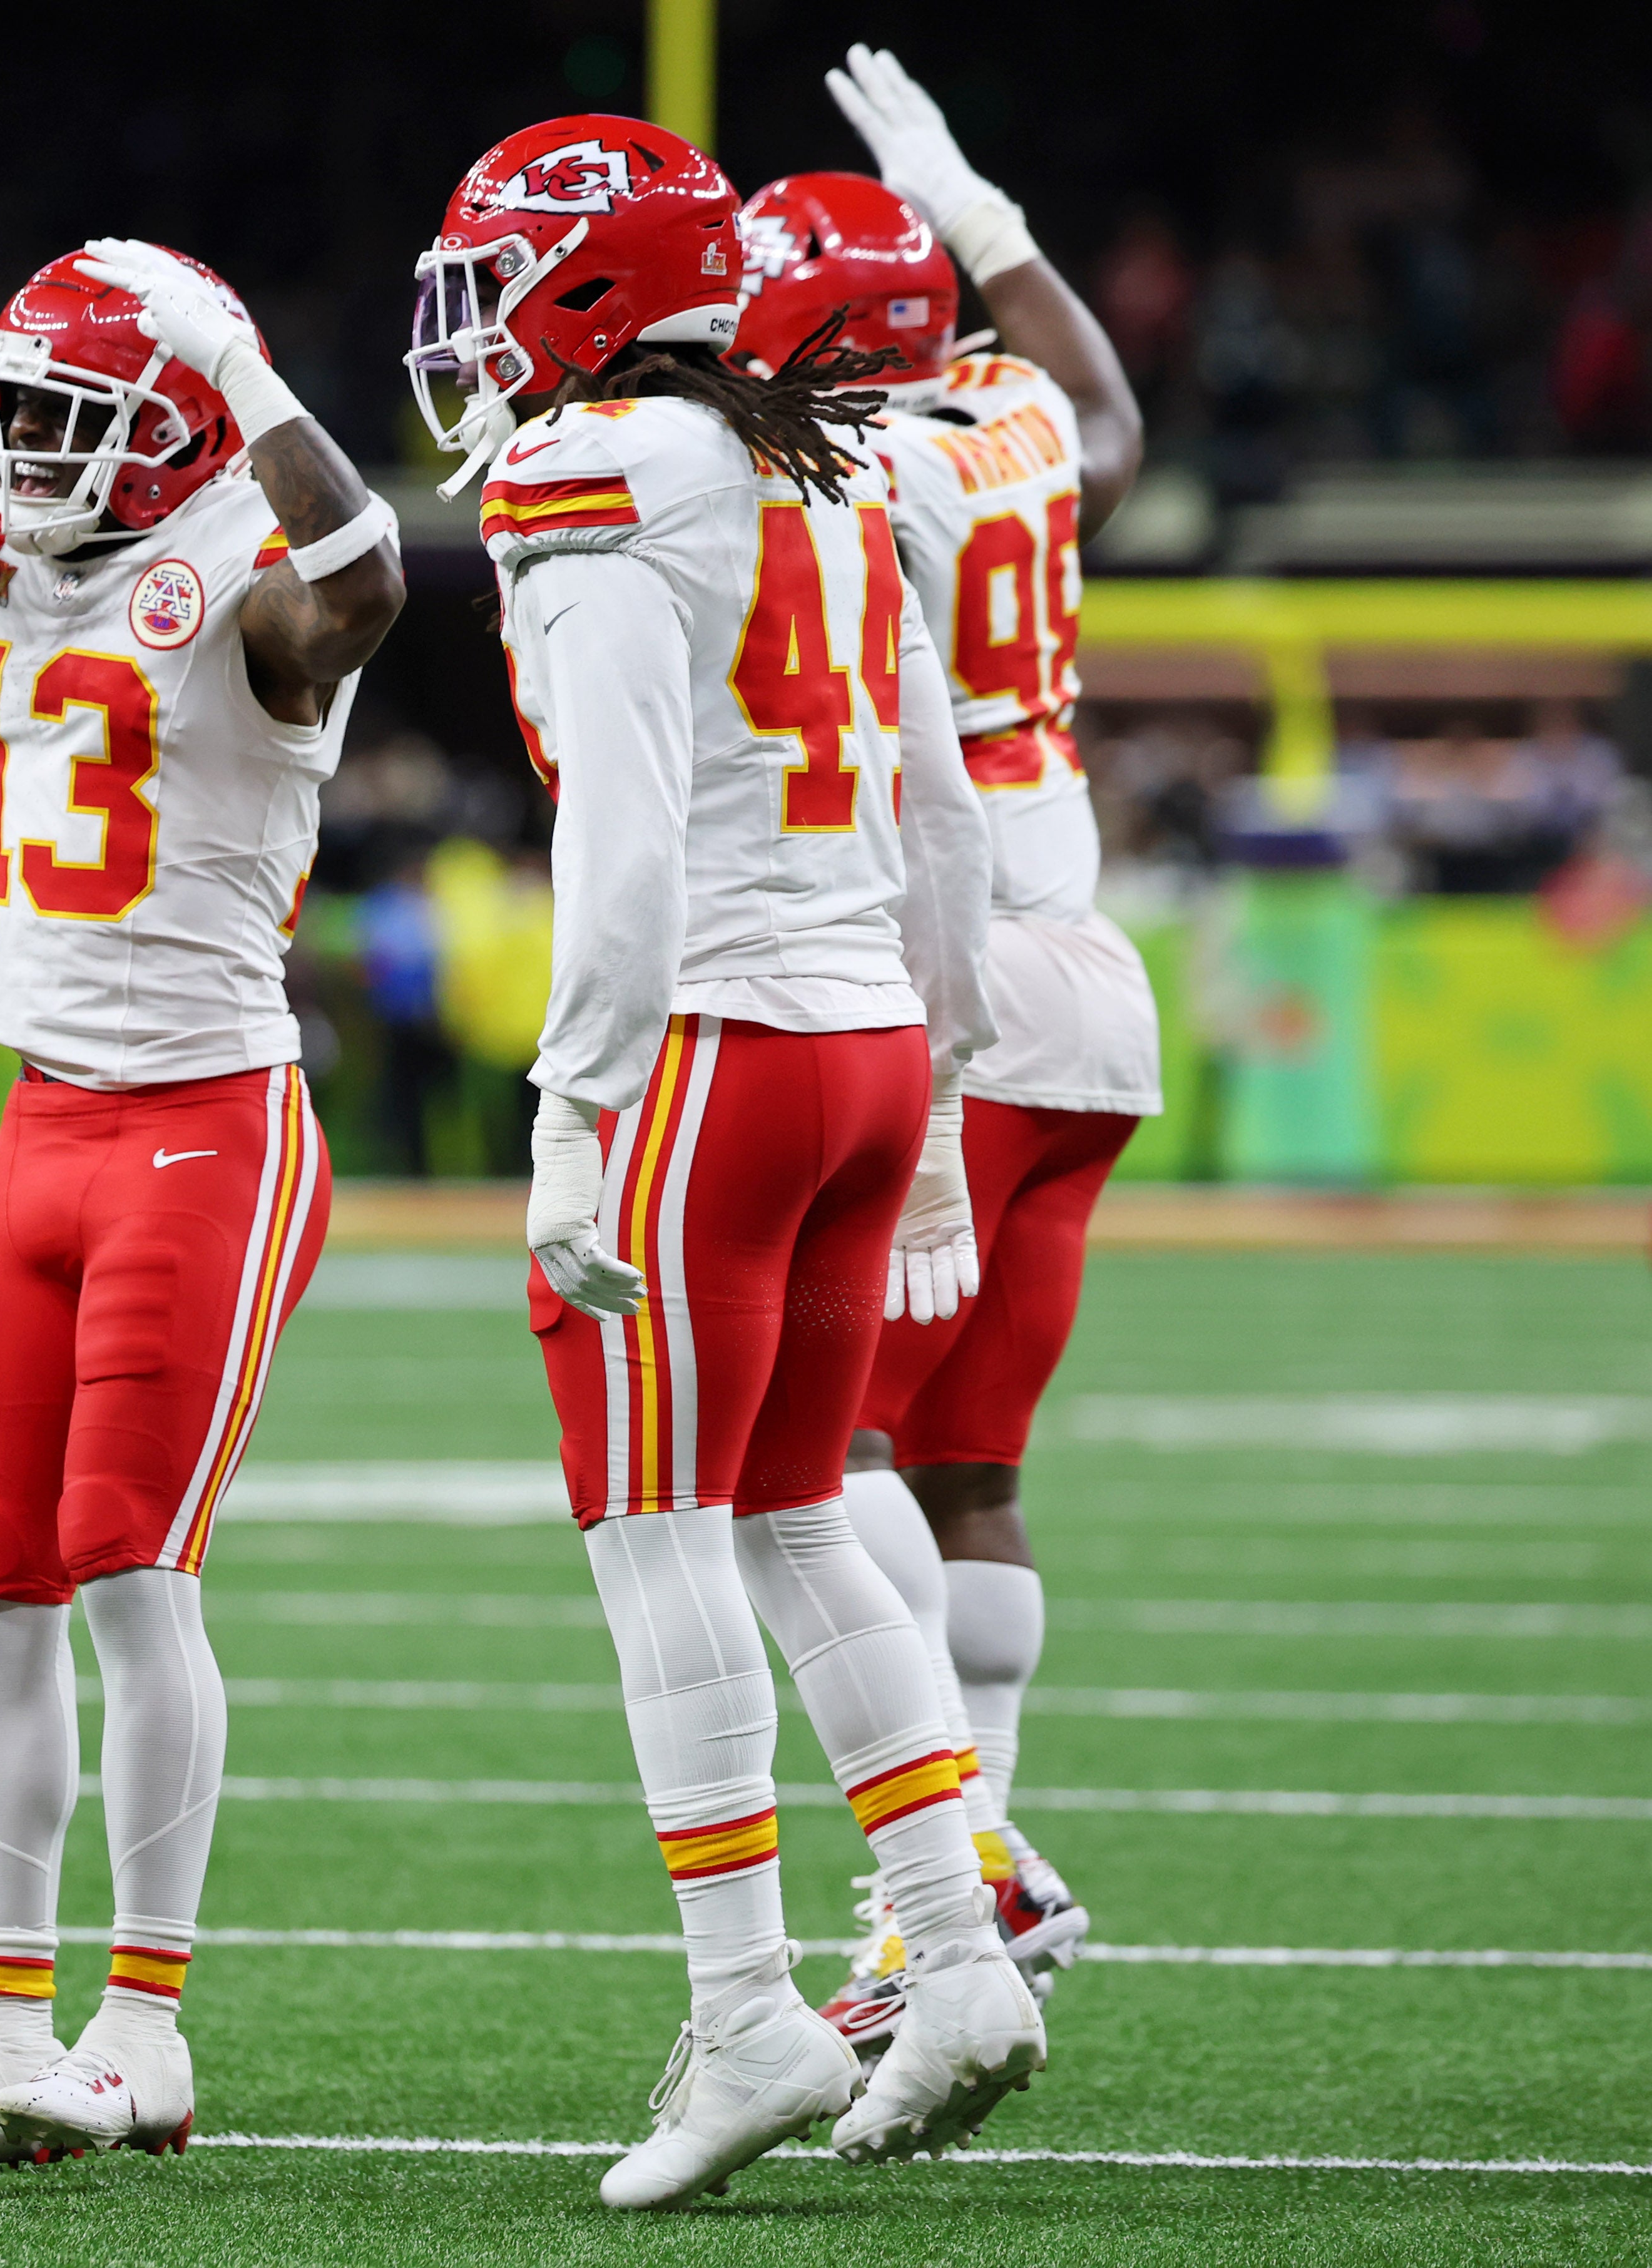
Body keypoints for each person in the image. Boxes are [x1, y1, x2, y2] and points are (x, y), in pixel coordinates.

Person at [408, 113, 1034, 2206]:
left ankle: (746, 1998)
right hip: (854, 1039)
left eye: (501, 273)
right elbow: (940, 807)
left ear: (589, 287)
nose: (475, 318)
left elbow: (627, 833)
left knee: (653, 1526)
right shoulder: (819, 456)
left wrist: (571, 1098)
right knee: (789, 1507)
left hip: (708, 1053)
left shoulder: (604, 469)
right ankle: (949, 1958)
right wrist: (939, 1090)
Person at [0, 239, 402, 2169]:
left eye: (68, 420)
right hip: (37, 1117)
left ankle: (145, 2022)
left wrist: (246, 362)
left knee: (129, 1561)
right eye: (15, 416)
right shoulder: (31, 540)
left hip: (204, 1118)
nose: (25, 454)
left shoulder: (248, 576)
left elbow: (364, 581)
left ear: (188, 423)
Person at [734, 43, 1162, 2053]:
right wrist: (985, 225)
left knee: (817, 1459)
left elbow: (886, 768)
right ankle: (975, 1840)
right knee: (970, 1461)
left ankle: (968, 1867)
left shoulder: (858, 467)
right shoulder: (996, 417)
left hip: (962, 968)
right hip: (1089, 978)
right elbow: (1108, 411)